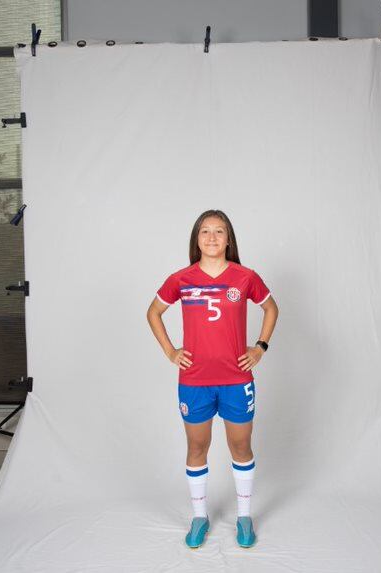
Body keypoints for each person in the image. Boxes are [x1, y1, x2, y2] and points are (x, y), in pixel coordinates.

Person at [146, 209, 279, 550]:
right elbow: (153, 312)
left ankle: (244, 517)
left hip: (236, 379)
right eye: (205, 231)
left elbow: (271, 308)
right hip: (194, 381)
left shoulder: (245, 277)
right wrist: (171, 351)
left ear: (229, 239)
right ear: (196, 239)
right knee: (196, 447)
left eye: (219, 231)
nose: (212, 237)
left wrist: (260, 347)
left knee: (241, 446)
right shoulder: (181, 279)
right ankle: (199, 517)